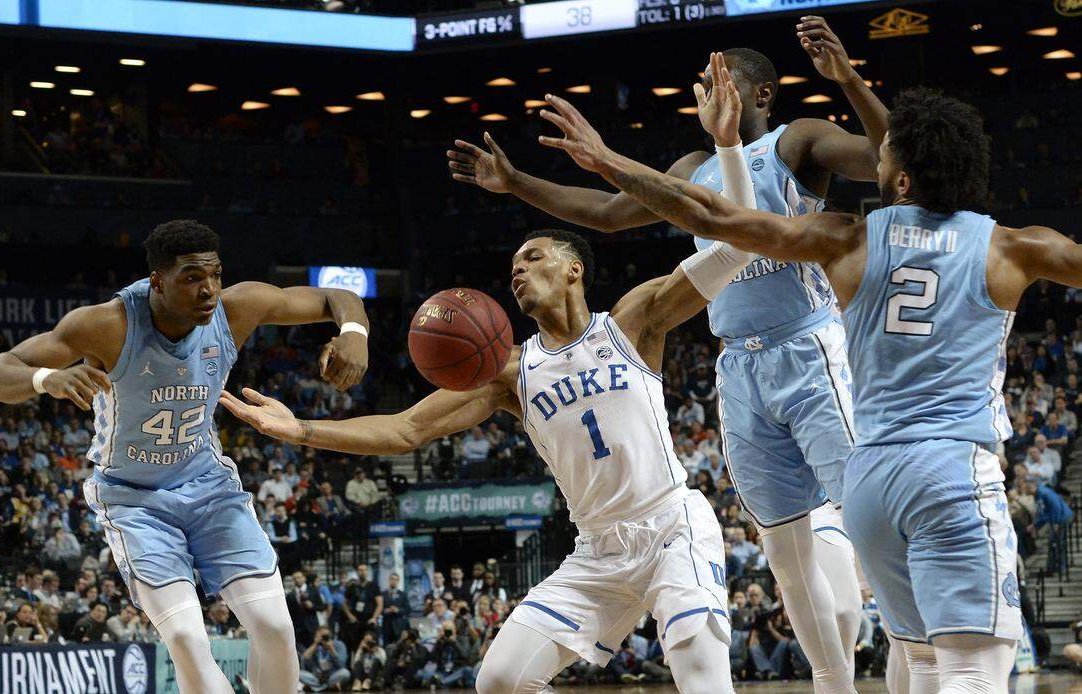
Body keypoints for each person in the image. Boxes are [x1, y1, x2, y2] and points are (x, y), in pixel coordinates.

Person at [541, 73, 1082, 693]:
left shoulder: (844, 238)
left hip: (874, 478)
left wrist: (608, 160)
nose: (874, 155)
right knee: (975, 670)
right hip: (951, 470)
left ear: (901, 179)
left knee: (923, 660)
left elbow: (712, 213)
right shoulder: (1016, 247)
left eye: (884, 154)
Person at [449, 31, 877, 690]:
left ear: (761, 92)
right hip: (738, 363)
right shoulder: (688, 171)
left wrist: (848, 78)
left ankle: (923, 649)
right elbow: (607, 212)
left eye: (721, 80)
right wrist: (515, 184)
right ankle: (833, 683)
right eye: (701, 85)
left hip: (810, 342)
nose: (707, 94)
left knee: (869, 517)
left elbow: (885, 157)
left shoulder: (798, 141)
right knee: (786, 558)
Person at [221, 224, 756, 691]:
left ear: (574, 269)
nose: (518, 271)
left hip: (670, 526)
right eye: (512, 266)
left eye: (533, 258)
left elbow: (729, 252)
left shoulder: (631, 323)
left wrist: (765, 192)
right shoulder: (510, 374)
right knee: (500, 680)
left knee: (701, 674)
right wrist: (301, 430)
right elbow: (406, 429)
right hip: (597, 551)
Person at [0, 219, 369, 694]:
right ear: (158, 281)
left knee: (276, 628)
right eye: (192, 278)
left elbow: (333, 297)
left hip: (208, 486)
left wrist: (353, 332)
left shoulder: (235, 308)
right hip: (132, 499)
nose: (208, 290)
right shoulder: (106, 323)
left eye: (215, 275)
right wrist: (46, 379)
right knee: (184, 635)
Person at [301, 626, 350, 693]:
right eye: (321, 636)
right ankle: (328, 687)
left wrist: (332, 650)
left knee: (345, 673)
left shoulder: (339, 645)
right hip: (317, 677)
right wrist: (315, 644)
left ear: (330, 636)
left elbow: (341, 665)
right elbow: (304, 661)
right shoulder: (315, 647)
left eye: (325, 636)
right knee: (299, 674)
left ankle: (315, 687)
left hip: (332, 676)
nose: (323, 638)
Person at [381, 572, 410, 644]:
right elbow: (379, 609)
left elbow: (408, 609)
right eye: (392, 579)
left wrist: (398, 610)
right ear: (389, 580)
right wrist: (385, 611)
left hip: (399, 626)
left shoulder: (403, 594)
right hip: (386, 626)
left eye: (396, 579)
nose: (393, 581)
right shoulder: (383, 594)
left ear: (398, 581)